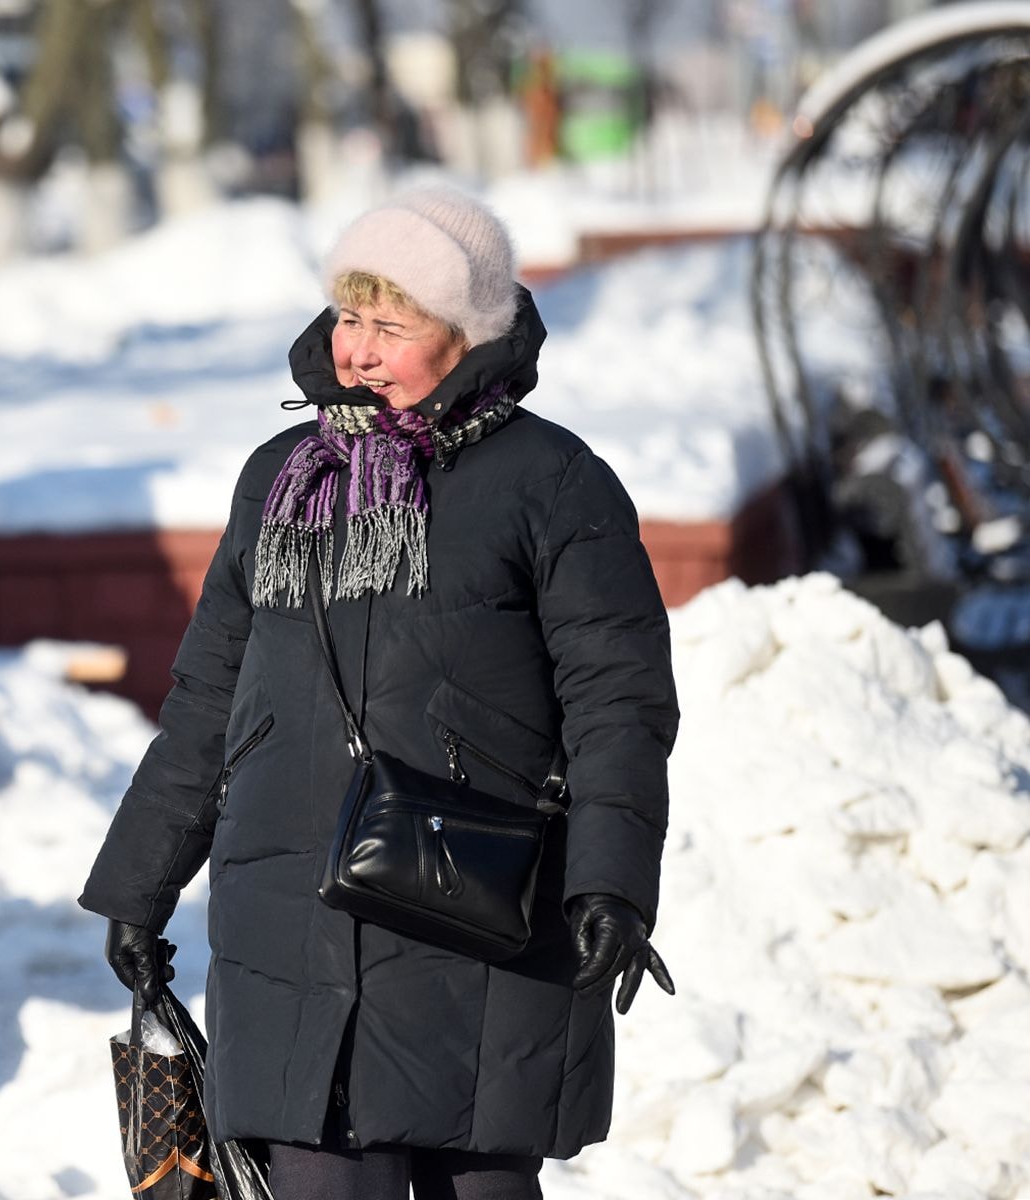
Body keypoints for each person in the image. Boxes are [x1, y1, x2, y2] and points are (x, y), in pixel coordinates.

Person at [79, 186, 680, 1200]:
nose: (356, 348)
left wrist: (612, 883)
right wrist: (140, 885)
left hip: (479, 920)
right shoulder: (281, 480)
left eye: (390, 324)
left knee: (481, 1185)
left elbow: (618, 702)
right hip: (292, 924)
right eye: (350, 317)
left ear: (467, 336)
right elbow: (207, 701)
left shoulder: (554, 485)